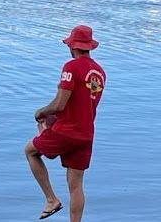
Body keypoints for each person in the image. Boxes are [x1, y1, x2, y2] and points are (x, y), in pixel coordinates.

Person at [25, 25, 106, 221]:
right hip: (86, 135)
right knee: (76, 185)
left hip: (67, 131)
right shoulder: (100, 72)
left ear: (74, 46)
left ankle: (51, 199)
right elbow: (82, 102)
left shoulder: (71, 67)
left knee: (30, 151)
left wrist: (41, 112)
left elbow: (60, 104)